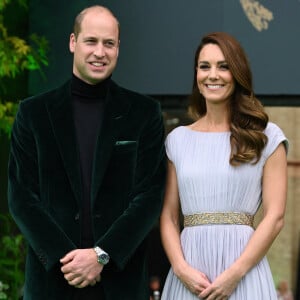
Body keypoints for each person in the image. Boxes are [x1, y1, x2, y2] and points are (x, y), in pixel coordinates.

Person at [8, 5, 166, 300]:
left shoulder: (145, 114)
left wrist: (101, 256)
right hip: (52, 283)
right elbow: (21, 198)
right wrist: (68, 258)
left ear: (118, 48)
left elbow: (149, 197)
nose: (99, 52)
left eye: (109, 43)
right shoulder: (33, 114)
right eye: (91, 41)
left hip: (121, 285)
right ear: (73, 42)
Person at [160, 32, 288, 299]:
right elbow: (169, 217)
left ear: (238, 73)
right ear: (196, 73)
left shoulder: (267, 137)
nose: (213, 75)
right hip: (189, 278)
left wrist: (234, 274)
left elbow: (275, 217)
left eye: (223, 66)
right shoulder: (177, 140)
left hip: (244, 276)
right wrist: (181, 268)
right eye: (205, 66)